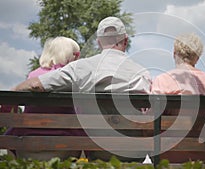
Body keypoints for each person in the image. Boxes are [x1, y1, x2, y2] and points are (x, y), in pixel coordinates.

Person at [13, 16, 152, 162]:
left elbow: (36, 85)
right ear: (125, 41)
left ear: (99, 42)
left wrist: (15, 89)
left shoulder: (81, 67)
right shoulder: (142, 73)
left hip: (97, 150)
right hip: (133, 151)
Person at [3, 36, 83, 160]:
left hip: (27, 136)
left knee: (12, 131)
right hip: (65, 137)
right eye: (77, 54)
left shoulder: (33, 75)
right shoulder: (70, 78)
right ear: (68, 55)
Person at [151, 33, 205, 163]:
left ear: (174, 53)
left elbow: (150, 121)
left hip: (167, 157)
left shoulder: (162, 81)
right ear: (197, 58)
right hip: (203, 156)